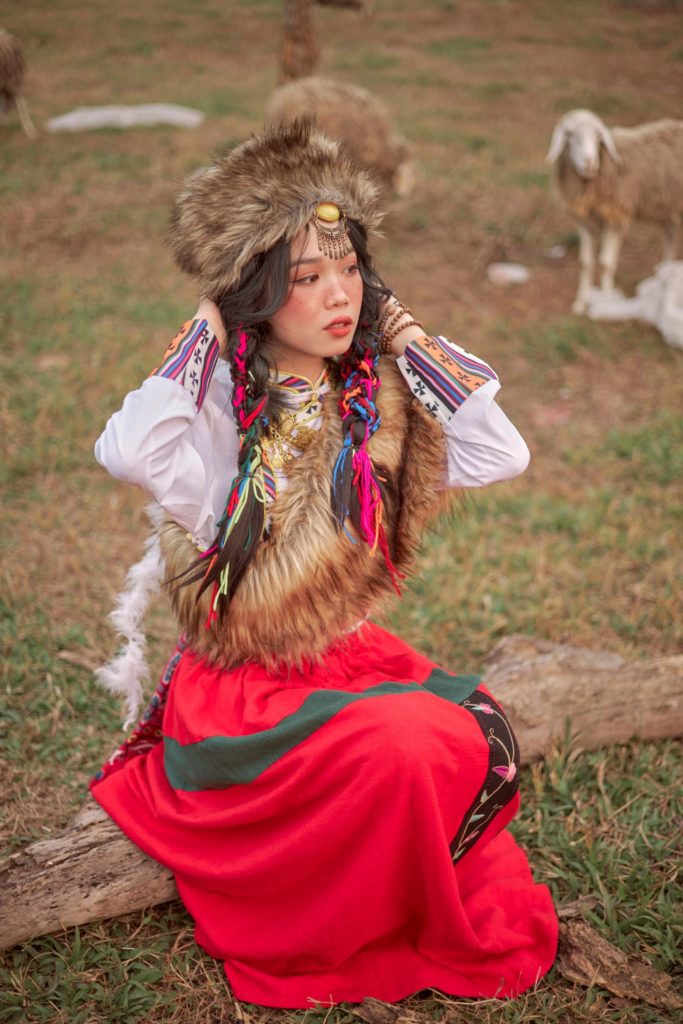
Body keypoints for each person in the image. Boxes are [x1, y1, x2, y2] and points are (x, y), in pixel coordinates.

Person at [90, 120, 558, 1009]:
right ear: (256, 293)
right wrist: (200, 328)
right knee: (411, 748)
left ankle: (386, 879)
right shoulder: (222, 417)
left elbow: (501, 451)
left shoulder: (373, 402)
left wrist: (409, 339)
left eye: (349, 269)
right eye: (306, 277)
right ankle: (332, 925)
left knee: (470, 734)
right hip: (242, 693)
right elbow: (128, 451)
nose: (337, 295)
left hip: (338, 664)